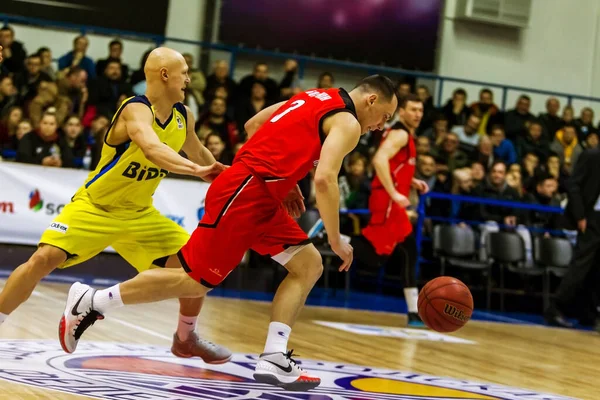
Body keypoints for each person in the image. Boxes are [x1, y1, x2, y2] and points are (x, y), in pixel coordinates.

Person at [58, 75, 399, 391]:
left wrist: (289, 177)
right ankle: (91, 301)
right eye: (385, 116)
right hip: (246, 192)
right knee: (194, 280)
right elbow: (325, 180)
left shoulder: (314, 96)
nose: (382, 126)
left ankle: (275, 357)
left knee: (308, 265)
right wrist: (337, 239)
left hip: (263, 194)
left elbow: (255, 125)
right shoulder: (349, 122)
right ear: (371, 100)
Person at [0, 47, 232, 364]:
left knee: (196, 269)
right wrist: (196, 171)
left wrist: (234, 180)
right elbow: (151, 148)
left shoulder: (184, 116)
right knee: (44, 258)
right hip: (96, 206)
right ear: (165, 74)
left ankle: (185, 338)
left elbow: (200, 152)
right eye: (184, 72)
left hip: (140, 214)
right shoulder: (134, 110)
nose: (188, 79)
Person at [351, 94, 429, 327]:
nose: (417, 114)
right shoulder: (401, 134)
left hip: (389, 200)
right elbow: (379, 159)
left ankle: (414, 311)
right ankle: (333, 237)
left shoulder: (405, 135)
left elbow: (394, 165)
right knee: (376, 257)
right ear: (401, 112)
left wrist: (411, 181)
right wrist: (395, 193)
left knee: (408, 252)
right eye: (413, 109)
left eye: (420, 110)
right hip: (387, 202)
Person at [545, 148, 600, 331]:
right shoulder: (592, 155)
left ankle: (588, 311)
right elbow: (573, 184)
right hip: (591, 217)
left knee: (595, 267)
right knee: (581, 263)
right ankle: (556, 306)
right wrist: (580, 215)